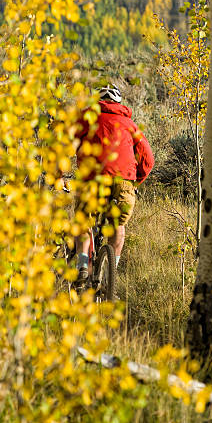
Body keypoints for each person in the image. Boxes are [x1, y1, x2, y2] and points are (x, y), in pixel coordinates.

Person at [74, 82, 154, 282]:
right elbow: (148, 159)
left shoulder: (88, 118)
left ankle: (83, 266)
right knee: (118, 225)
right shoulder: (130, 125)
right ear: (119, 102)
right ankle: (111, 276)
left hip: (93, 179)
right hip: (123, 182)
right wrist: (135, 182)